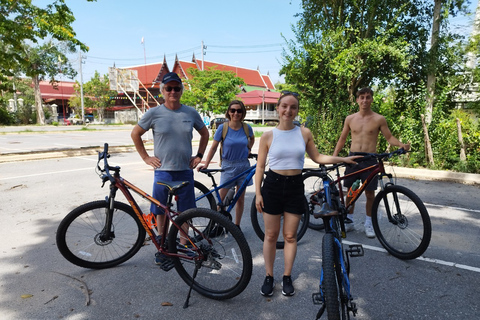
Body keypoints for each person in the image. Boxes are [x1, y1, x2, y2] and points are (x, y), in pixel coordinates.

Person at [255, 92, 361, 297]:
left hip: (295, 186)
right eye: (284, 106)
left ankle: (287, 276)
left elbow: (317, 157)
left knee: (290, 236)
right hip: (272, 186)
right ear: (277, 107)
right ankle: (269, 276)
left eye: (293, 107)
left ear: (297, 110)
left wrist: (342, 159)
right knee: (270, 235)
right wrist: (258, 193)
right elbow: (260, 167)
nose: (288, 110)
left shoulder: (304, 133)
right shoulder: (268, 136)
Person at [131, 72, 209, 265]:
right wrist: (146, 157)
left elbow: (205, 133)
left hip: (184, 170)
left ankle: (183, 244)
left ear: (181, 90)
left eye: (176, 88)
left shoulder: (190, 113)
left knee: (186, 212)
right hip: (163, 171)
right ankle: (165, 243)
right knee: (160, 209)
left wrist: (199, 156)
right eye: (169, 88)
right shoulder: (154, 113)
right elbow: (135, 134)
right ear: (162, 91)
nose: (173, 91)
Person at [333, 87, 410, 238]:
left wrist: (400, 144)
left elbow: (389, 137)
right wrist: (335, 157)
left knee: (370, 194)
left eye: (368, 97)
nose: (364, 100)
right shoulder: (350, 119)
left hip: (370, 159)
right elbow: (342, 138)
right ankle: (349, 221)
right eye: (361, 97)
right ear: (357, 100)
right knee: (351, 191)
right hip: (353, 158)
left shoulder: (379, 119)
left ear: (372, 99)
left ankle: (369, 223)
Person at [197, 100, 255, 229]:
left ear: (242, 113)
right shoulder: (223, 128)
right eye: (232, 110)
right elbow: (213, 147)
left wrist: (248, 149)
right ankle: (213, 226)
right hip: (228, 166)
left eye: (239, 110)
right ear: (228, 112)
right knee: (221, 199)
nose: (236, 113)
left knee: (240, 198)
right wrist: (206, 163)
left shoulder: (247, 128)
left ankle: (237, 226)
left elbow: (252, 138)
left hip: (243, 166)